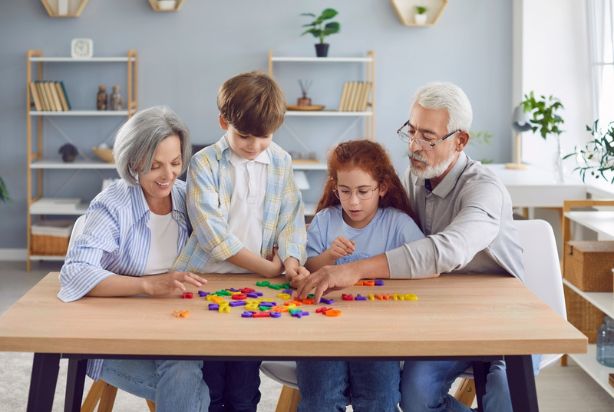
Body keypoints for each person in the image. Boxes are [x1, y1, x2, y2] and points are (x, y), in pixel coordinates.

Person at [295, 82, 526, 412]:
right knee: (415, 395)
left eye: (428, 138)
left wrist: (354, 268)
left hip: (501, 314)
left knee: (508, 396)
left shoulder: (484, 189)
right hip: (444, 313)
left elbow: (445, 250)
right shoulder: (416, 176)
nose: (415, 146)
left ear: (460, 141)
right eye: (412, 132)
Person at [58, 106, 210, 412]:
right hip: (116, 338)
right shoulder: (111, 204)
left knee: (225, 373)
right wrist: (148, 286)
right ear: (133, 162)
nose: (169, 175)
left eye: (176, 162)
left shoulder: (188, 197)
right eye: (155, 166)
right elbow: (74, 273)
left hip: (178, 329)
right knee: (194, 386)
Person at [173, 71, 308, 412]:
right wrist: (268, 266)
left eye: (263, 137)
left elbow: (291, 219)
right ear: (223, 122)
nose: (253, 145)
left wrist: (291, 261)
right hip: (207, 281)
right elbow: (211, 235)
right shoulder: (204, 163)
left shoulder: (281, 161)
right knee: (211, 384)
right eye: (244, 136)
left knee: (245, 385)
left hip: (257, 289)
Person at [292, 140, 423, 412]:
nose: (353, 201)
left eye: (363, 191)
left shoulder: (397, 223)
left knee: (381, 400)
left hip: (378, 331)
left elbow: (423, 263)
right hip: (323, 330)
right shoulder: (326, 220)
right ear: (335, 187)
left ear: (382, 188)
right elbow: (308, 266)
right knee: (320, 401)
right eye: (345, 191)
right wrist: (329, 257)